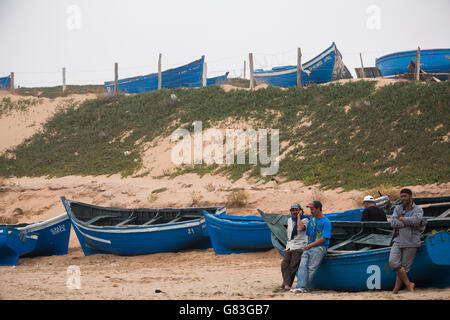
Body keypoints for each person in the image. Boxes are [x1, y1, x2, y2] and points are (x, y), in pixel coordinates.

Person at [291, 200, 331, 293]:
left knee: (312, 267)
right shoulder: (311, 221)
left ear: (318, 209)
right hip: (310, 246)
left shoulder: (326, 222)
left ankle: (304, 287)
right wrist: (308, 245)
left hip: (320, 247)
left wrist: (310, 246)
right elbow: (309, 235)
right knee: (302, 266)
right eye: (310, 209)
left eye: (312, 209)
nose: (311, 211)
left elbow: (323, 239)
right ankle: (300, 286)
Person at [389, 188, 424, 294]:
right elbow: (393, 222)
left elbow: (417, 221)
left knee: (403, 267)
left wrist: (403, 219)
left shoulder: (418, 209)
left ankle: (395, 290)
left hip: (411, 240)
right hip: (398, 239)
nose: (403, 198)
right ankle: (409, 284)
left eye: (405, 196)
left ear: (410, 196)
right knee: (393, 262)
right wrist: (408, 222)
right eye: (401, 196)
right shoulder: (398, 208)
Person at [274, 203, 309, 292]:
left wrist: (298, 217)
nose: (294, 212)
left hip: (300, 246)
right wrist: (287, 247)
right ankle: (286, 284)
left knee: (293, 266)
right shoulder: (289, 220)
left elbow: (300, 228)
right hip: (290, 246)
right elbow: (289, 234)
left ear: (300, 211)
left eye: (296, 210)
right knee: (284, 264)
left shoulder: (305, 220)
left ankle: (286, 286)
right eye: (293, 210)